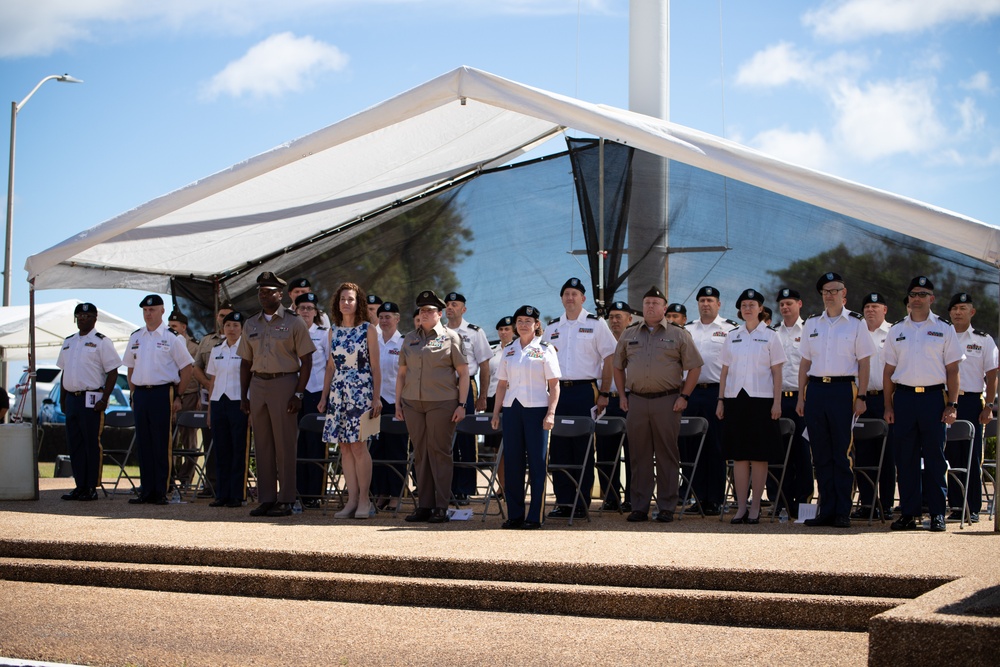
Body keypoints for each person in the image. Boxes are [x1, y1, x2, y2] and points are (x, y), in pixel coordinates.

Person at [614, 286, 703, 523]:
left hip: (668, 401)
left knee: (667, 455)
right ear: (642, 308)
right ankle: (640, 506)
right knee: (639, 456)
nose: (650, 306)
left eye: (655, 302)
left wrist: (684, 396)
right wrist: (622, 395)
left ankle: (666, 506)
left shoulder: (679, 334)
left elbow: (695, 367)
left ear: (664, 308)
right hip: (637, 402)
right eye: (647, 303)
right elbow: (617, 366)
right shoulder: (629, 334)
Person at [883, 276, 964, 532]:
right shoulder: (897, 330)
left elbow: (953, 370)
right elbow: (888, 372)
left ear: (932, 298)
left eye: (922, 293)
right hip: (904, 398)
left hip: (933, 400)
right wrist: (888, 406)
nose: (917, 298)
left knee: (935, 459)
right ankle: (908, 513)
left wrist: (952, 404)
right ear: (908, 298)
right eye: (913, 294)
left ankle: (938, 513)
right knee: (905, 460)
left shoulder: (944, 328)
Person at [796, 272, 875, 528]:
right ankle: (825, 510)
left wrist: (861, 396)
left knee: (841, 453)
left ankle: (842, 510)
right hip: (816, 390)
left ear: (844, 294)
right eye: (825, 291)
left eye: (835, 290)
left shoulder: (856, 322)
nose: (830, 295)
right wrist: (801, 395)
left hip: (843, 391)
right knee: (820, 453)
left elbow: (864, 362)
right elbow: (805, 363)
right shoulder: (811, 323)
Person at [239, 272, 315, 518]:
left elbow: (306, 360)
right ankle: (266, 498)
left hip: (285, 383)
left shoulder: (294, 322)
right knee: (262, 444)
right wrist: (244, 395)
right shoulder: (251, 323)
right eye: (260, 292)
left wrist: (299, 394)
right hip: (258, 384)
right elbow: (244, 362)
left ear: (279, 295)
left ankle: (286, 499)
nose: (263, 295)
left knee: (284, 444)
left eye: (268, 291)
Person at [542, 277, 617, 519]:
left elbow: (610, 359)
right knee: (559, 449)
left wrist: (604, 392)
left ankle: (581, 501)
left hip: (586, 391)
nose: (570, 297)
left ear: (583, 298)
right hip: (557, 392)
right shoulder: (552, 328)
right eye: (566, 294)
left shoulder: (597, 324)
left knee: (583, 447)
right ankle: (563, 501)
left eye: (575, 293)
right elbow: (540, 360)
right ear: (562, 298)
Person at [395, 290, 469, 524]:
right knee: (420, 453)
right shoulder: (409, 338)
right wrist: (398, 403)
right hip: (413, 404)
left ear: (439, 314)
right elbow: (402, 374)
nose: (424, 314)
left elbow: (464, 373)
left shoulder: (451, 337)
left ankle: (441, 506)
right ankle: (425, 505)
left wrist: (462, 404)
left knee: (439, 452)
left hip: (442, 403)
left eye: (429, 310)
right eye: (421, 310)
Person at [717, 290, 785, 524]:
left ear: (760, 309)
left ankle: (756, 506)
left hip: (762, 401)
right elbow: (724, 370)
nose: (748, 308)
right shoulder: (732, 335)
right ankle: (741, 506)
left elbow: (777, 371)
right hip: (735, 400)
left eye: (752, 304)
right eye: (744, 305)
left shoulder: (771, 336)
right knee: (738, 456)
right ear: (739, 309)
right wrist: (721, 400)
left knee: (758, 456)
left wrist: (777, 402)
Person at [491, 305, 561, 529]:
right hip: (512, 409)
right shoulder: (509, 349)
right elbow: (502, 384)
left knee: (537, 463)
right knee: (513, 463)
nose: (523, 324)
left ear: (536, 325)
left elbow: (554, 384)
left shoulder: (545, 348)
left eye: (528, 321)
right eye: (519, 321)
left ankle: (535, 516)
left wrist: (551, 412)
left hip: (537, 409)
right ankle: (515, 515)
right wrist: (496, 412)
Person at [123, 294, 195, 506]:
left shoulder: (172, 337)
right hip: (142, 394)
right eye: (145, 310)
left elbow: (187, 368)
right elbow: (130, 367)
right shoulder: (136, 336)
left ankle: (161, 491)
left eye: (152, 310)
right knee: (143, 443)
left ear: (162, 311)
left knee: (161, 443)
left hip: (163, 392)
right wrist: (133, 393)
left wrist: (178, 395)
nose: (148, 313)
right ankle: (146, 490)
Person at [319, 282, 382, 519]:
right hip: (338, 392)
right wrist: (324, 396)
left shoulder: (368, 329)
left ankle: (365, 500)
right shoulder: (332, 331)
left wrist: (376, 397)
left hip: (361, 391)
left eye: (351, 299)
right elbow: (330, 366)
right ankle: (351, 500)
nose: (346, 302)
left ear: (359, 303)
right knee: (344, 447)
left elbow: (375, 366)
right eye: (343, 298)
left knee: (358, 445)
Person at [56, 302, 122, 501]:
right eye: (79, 316)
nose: (82, 319)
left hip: (91, 399)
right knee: (74, 443)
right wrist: (62, 398)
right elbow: (64, 372)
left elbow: (113, 372)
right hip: (73, 399)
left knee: (91, 443)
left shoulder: (102, 342)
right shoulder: (69, 342)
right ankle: (79, 486)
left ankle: (91, 487)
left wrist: (104, 398)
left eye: (87, 316)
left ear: (95, 318)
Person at [683, 286, 738, 516]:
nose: (705, 304)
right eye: (702, 300)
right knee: (691, 447)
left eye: (710, 300)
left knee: (716, 447)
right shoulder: (686, 330)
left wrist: (726, 398)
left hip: (717, 394)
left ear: (719, 304)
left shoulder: (731, 329)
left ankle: (715, 499)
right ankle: (697, 497)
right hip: (690, 392)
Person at [945, 292, 997, 523]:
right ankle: (956, 506)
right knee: (949, 454)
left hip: (972, 402)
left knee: (971, 456)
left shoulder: (983, 339)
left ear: (972, 312)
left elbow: (993, 374)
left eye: (963, 308)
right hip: (945, 401)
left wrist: (991, 406)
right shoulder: (941, 336)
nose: (958, 312)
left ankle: (972, 507)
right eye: (954, 308)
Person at [444, 291, 492, 505]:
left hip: (468, 386)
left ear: (464, 309)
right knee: (445, 438)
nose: (450, 308)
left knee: (465, 438)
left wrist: (482, 396)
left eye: (454, 304)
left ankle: (465, 488)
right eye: (447, 304)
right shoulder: (438, 331)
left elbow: (484, 365)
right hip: (442, 387)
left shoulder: (474, 332)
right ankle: (448, 486)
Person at [853, 292, 895, 520]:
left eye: (875, 306)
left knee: (886, 455)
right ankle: (867, 503)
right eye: (867, 306)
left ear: (885, 310)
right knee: (863, 455)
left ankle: (886, 504)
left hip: (885, 399)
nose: (870, 310)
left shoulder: (893, 333)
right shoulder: (856, 332)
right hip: (860, 399)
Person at [771, 287, 812, 517]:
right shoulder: (773, 332)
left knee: (802, 452)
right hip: (779, 400)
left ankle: (803, 502)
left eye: (789, 303)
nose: (785, 307)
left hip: (801, 399)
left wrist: (803, 397)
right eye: (782, 304)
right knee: (778, 452)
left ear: (800, 304)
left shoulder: (809, 330)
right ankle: (781, 501)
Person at [205, 311, 249, 508]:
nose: (231, 329)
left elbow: (251, 378)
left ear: (242, 328)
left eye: (235, 325)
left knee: (238, 449)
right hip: (218, 402)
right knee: (221, 449)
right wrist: (209, 411)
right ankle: (222, 494)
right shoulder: (217, 349)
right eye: (228, 325)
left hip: (239, 401)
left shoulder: (247, 349)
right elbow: (212, 379)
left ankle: (237, 494)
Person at [191, 302, 236, 496]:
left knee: (234, 445)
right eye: (222, 317)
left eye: (230, 317)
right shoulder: (209, 341)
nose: (226, 321)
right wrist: (209, 385)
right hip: (213, 396)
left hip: (235, 398)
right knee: (213, 442)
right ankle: (212, 485)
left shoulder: (245, 343)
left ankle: (234, 488)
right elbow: (197, 367)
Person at [294, 292, 330, 508]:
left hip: (317, 393)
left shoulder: (324, 334)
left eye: (309, 308)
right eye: (302, 308)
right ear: (296, 311)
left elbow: (329, 366)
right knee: (298, 443)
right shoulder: (290, 333)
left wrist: (325, 396)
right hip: (295, 393)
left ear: (316, 313)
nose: (305, 312)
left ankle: (315, 494)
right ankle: (298, 491)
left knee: (316, 444)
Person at [599, 300, 635, 511]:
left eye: (618, 317)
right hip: (607, 400)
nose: (614, 321)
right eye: (611, 317)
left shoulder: (637, 340)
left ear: (629, 319)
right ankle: (611, 497)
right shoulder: (600, 340)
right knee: (605, 452)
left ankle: (632, 496)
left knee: (633, 452)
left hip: (631, 400)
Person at [370, 301, 406, 510]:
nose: (384, 320)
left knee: (396, 449)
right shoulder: (372, 340)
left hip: (395, 402)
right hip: (375, 401)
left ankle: (396, 494)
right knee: (376, 448)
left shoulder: (403, 343)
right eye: (381, 316)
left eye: (388, 317)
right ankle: (380, 492)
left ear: (397, 318)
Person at [167, 310, 202, 484]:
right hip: (170, 394)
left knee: (188, 439)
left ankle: (186, 477)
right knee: (170, 439)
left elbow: (200, 371)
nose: (170, 328)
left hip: (189, 395)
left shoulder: (195, 346)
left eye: (174, 326)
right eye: (169, 325)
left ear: (183, 327)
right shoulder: (166, 342)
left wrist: (199, 398)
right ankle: (170, 475)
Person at [484, 315, 516, 493]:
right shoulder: (492, 351)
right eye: (501, 329)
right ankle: (502, 486)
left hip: (513, 399)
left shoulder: (519, 349)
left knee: (513, 445)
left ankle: (513, 485)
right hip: (493, 400)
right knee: (498, 447)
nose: (503, 332)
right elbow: (487, 377)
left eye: (507, 329)